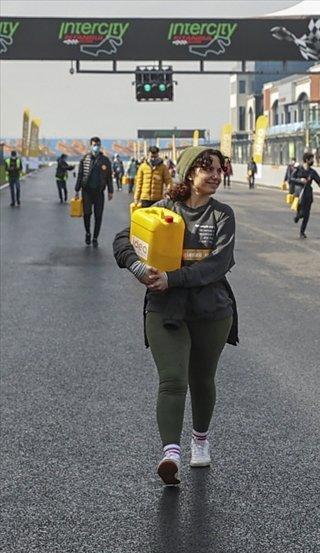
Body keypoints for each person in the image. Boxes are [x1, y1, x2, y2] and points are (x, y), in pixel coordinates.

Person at [111, 146, 239, 486]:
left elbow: (219, 263)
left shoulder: (222, 215)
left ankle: (200, 439)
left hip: (212, 309)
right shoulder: (162, 209)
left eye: (218, 169)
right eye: (206, 168)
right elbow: (123, 239)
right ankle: (170, 454)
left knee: (201, 378)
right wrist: (138, 267)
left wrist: (174, 277)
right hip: (165, 308)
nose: (214, 175)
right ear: (188, 172)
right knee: (172, 380)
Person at [75, 137, 114, 247]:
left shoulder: (105, 160)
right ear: (91, 146)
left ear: (100, 145)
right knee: (87, 214)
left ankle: (95, 237)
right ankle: (88, 232)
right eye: (94, 144)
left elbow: (109, 177)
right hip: (86, 191)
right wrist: (77, 190)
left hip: (99, 192)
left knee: (98, 215)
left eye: (97, 144)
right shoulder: (85, 159)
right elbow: (80, 175)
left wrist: (110, 191)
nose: (96, 146)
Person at [290, 152, 320, 239]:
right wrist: (300, 180)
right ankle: (298, 216)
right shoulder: (298, 169)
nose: (313, 161)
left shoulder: (312, 172)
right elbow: (291, 179)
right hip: (299, 193)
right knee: (301, 212)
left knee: (307, 214)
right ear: (307, 160)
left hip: (308, 193)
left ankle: (302, 232)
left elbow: (318, 179)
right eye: (311, 159)